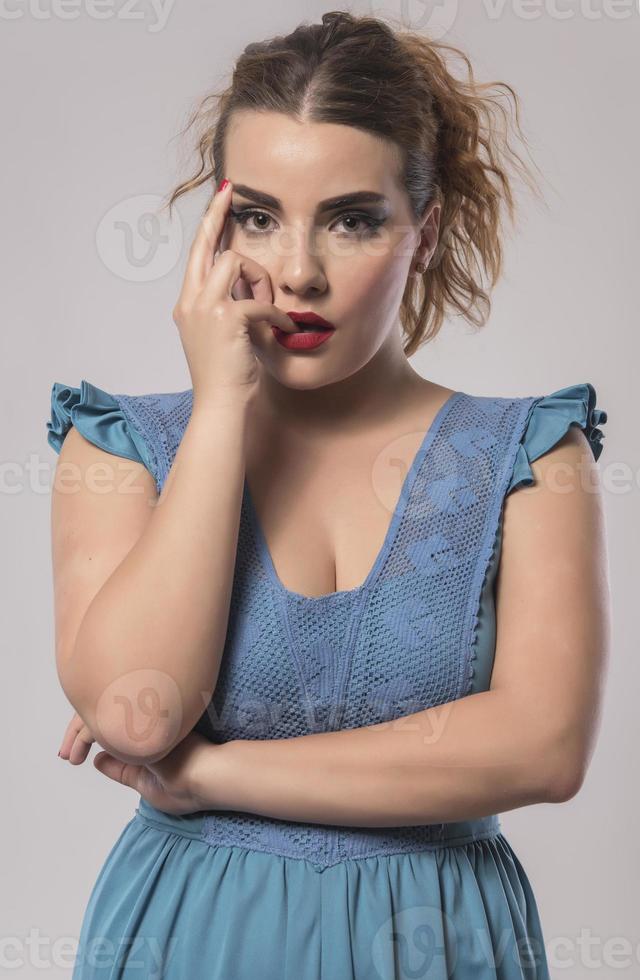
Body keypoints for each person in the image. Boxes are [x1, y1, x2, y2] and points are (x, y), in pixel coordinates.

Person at [48, 11, 610, 979]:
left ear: (422, 234)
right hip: (192, 935)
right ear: (213, 233)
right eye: (258, 217)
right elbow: (140, 718)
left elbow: (542, 748)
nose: (298, 272)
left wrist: (211, 772)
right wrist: (220, 405)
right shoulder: (123, 446)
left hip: (439, 936)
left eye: (352, 219)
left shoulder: (530, 451)